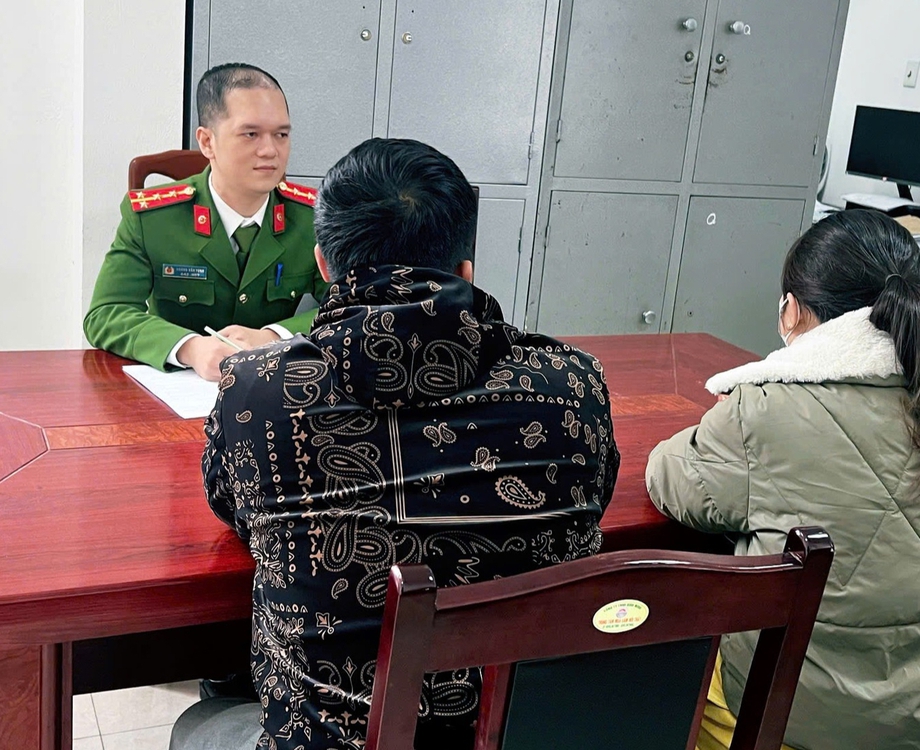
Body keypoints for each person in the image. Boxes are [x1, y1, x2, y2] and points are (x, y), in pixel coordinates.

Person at [174, 138, 620, 750]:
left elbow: (232, 508)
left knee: (203, 720)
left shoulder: (260, 391)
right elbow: (594, 501)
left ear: (324, 265)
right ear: (466, 269)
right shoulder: (573, 383)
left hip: (330, 741)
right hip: (510, 733)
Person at [645, 210, 920, 750]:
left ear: (792, 309)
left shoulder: (766, 408)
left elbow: (670, 479)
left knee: (667, 674)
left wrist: (724, 423)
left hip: (800, 723)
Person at [84, 63, 330, 381]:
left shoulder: (312, 217)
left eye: (281, 134)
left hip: (273, 387)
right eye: (251, 134)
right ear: (207, 142)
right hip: (176, 389)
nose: (271, 150)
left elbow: (352, 306)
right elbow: (106, 313)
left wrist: (274, 336)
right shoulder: (153, 219)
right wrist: (190, 348)